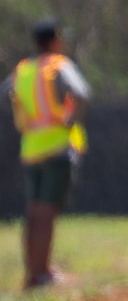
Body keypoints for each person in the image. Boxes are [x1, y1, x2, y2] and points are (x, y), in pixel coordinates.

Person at [11, 18, 89, 290]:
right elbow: (81, 92)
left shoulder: (23, 69)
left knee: (33, 212)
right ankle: (42, 273)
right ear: (55, 40)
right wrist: (70, 121)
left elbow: (8, 95)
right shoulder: (58, 65)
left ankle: (32, 273)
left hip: (30, 148)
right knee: (47, 212)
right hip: (56, 146)